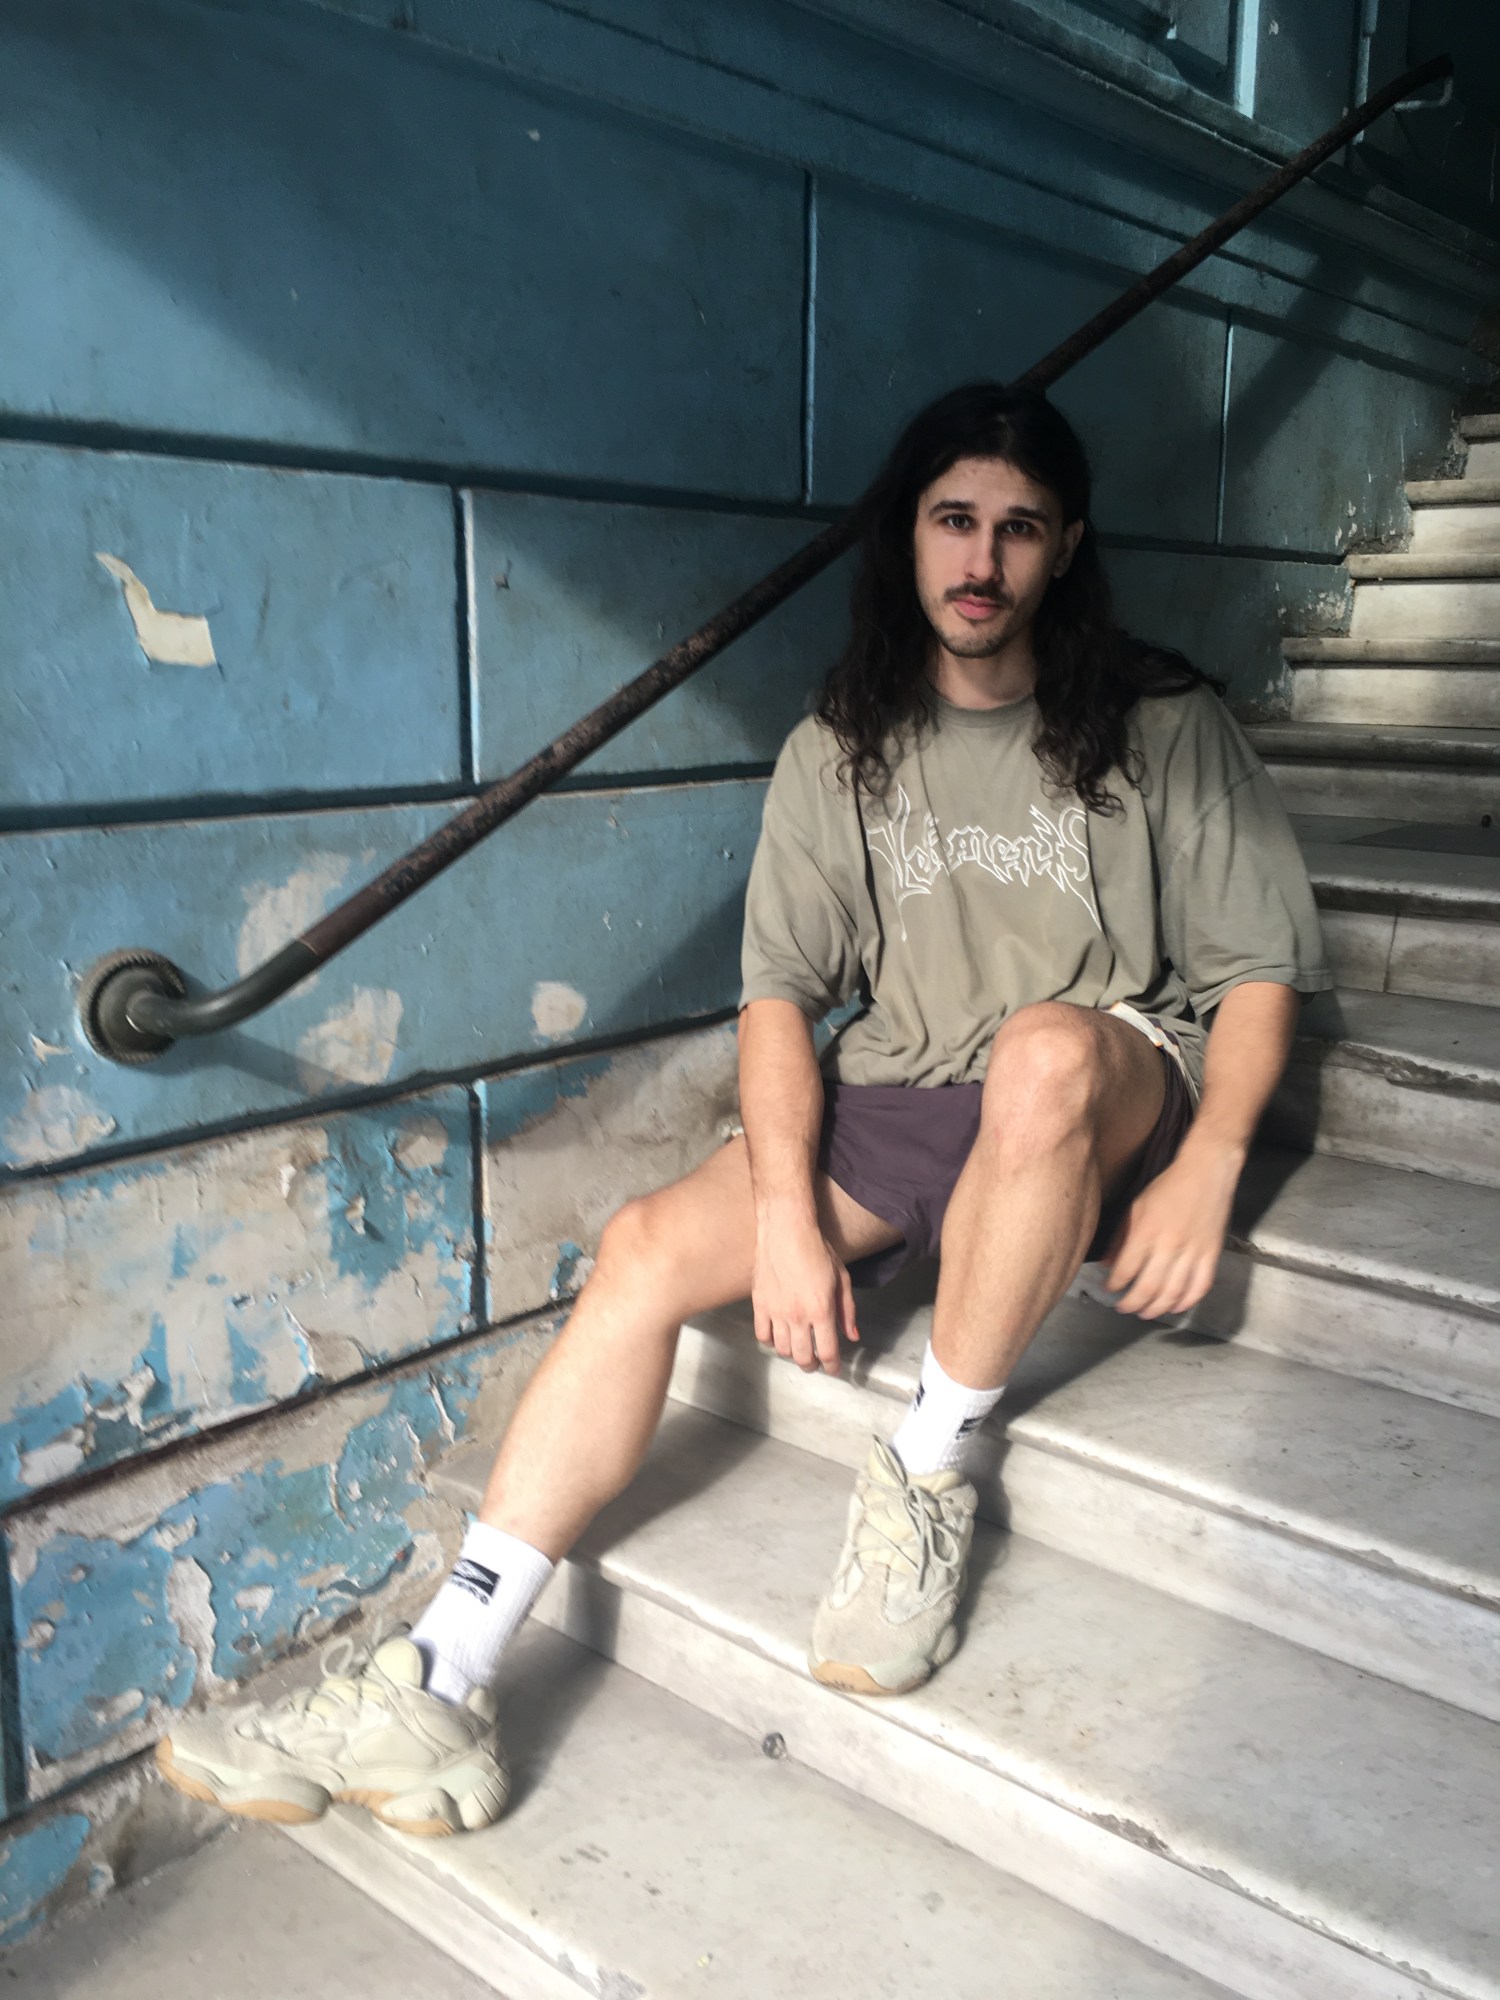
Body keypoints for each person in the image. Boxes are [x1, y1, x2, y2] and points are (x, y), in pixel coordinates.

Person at [156, 382, 1329, 1835]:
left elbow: (1258, 967)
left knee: (1041, 1053)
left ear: (1065, 547)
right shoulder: (841, 748)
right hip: (911, 1086)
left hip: (1100, 1065)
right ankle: (441, 1680)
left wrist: (1214, 1154)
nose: (982, 560)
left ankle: (927, 1471)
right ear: (907, 539)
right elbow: (779, 1001)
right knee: (645, 1245)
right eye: (954, 521)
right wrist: (784, 1217)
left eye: (1019, 530)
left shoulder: (1160, 719)